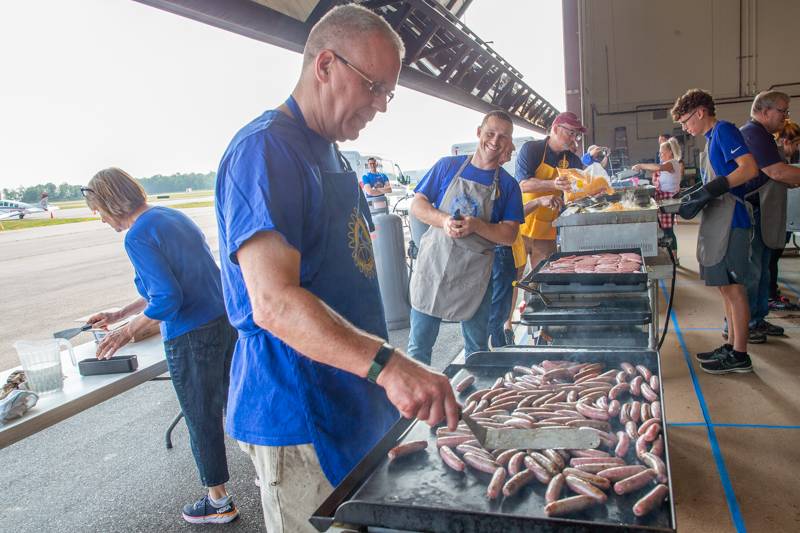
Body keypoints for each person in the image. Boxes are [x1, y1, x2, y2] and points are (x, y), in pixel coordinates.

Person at [213, 6, 459, 532]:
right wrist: (392, 365)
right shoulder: (266, 150)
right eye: (374, 86)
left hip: (357, 397)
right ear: (324, 64)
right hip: (299, 409)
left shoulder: (330, 151)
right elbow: (274, 302)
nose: (381, 105)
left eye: (388, 92)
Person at [82, 167, 238, 524]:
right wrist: (122, 312)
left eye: (100, 212)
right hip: (222, 323)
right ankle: (266, 471)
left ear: (110, 203)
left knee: (201, 418)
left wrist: (125, 332)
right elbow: (170, 283)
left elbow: (167, 298)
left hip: (190, 336)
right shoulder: (171, 217)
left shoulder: (136, 236)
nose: (102, 220)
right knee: (235, 402)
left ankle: (218, 503)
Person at [408, 110, 523, 363]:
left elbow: (510, 234)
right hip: (434, 266)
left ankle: (474, 401)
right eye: (490, 133)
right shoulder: (446, 166)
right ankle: (415, 403)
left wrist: (477, 226)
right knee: (418, 349)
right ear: (478, 133)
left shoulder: (508, 185)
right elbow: (417, 205)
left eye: (503, 137)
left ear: (509, 142)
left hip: (475, 275)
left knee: (477, 351)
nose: (495, 141)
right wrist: (444, 220)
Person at [673, 89, 759, 374]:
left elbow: (748, 169)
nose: (686, 128)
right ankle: (731, 345)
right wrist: (696, 193)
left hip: (732, 219)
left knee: (734, 289)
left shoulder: (724, 131)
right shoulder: (710, 139)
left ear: (700, 112)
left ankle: (741, 354)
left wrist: (713, 188)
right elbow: (715, 176)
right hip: (718, 218)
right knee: (724, 287)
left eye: (686, 121)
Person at [737, 91, 800, 339]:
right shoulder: (753, 133)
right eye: (782, 111)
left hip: (766, 211)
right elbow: (777, 172)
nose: (786, 117)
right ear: (764, 111)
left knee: (763, 269)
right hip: (753, 212)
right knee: (751, 271)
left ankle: (758, 317)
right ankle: (747, 323)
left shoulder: (763, 135)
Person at [516, 112, 585, 269]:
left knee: (543, 277)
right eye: (571, 133)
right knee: (514, 277)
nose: (574, 138)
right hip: (520, 226)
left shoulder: (573, 160)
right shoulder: (532, 149)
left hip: (546, 231)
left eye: (577, 135)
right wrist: (553, 184)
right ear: (555, 129)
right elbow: (523, 185)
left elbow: (580, 191)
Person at [769, 120, 800, 310]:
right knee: (770, 258)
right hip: (777, 215)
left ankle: (771, 293)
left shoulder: (781, 157)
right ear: (787, 142)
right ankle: (770, 295)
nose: (796, 149)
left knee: (772, 258)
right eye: (796, 145)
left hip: (784, 215)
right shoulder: (778, 159)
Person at [633, 137, 683, 253]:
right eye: (659, 153)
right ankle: (670, 254)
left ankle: (674, 257)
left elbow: (659, 167)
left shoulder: (672, 164)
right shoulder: (668, 164)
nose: (660, 155)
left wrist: (641, 165)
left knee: (668, 230)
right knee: (664, 229)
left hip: (668, 201)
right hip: (663, 200)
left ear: (670, 152)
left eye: (662, 153)